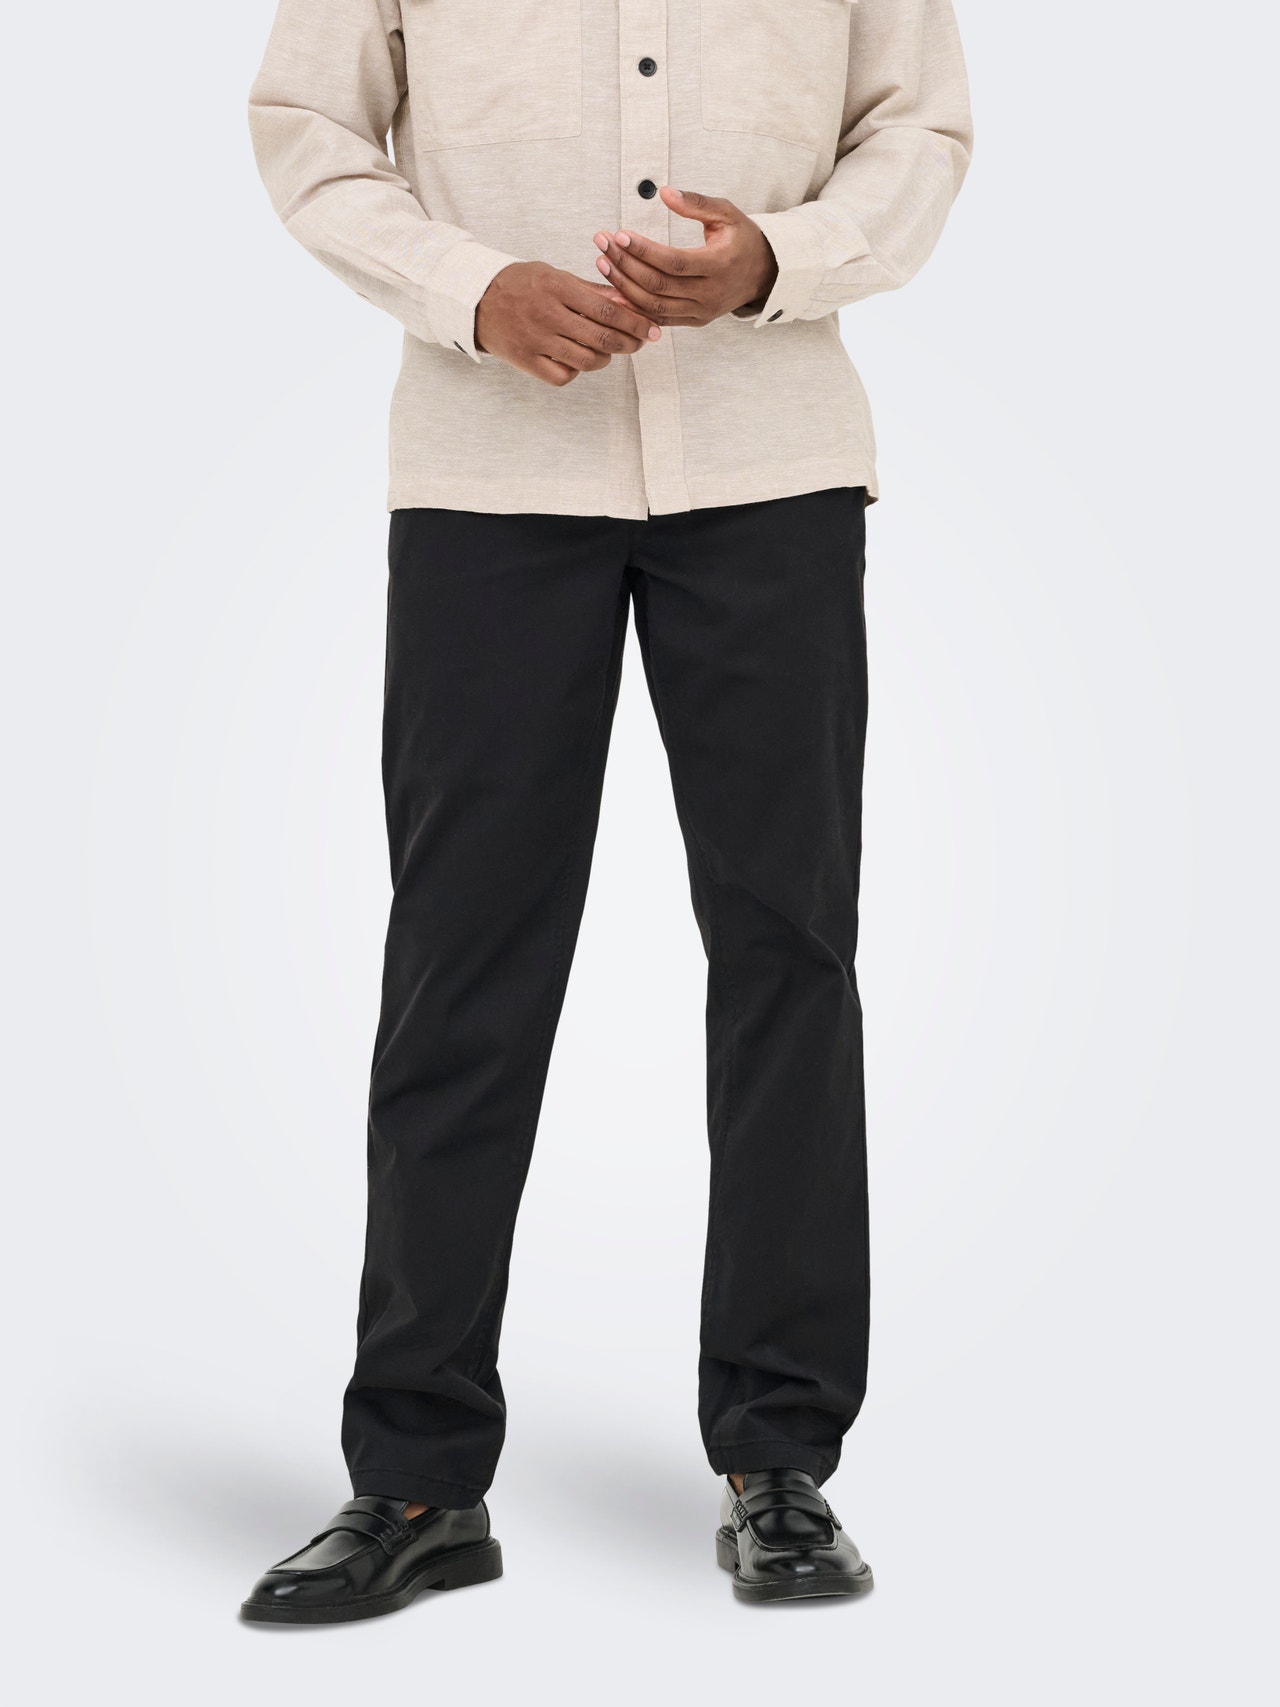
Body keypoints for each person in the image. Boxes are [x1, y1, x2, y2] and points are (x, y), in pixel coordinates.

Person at [238, 0, 972, 1622]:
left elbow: (916, 125)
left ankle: (780, 1461)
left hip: (770, 469)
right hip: (488, 471)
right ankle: (417, 1477)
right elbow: (310, 123)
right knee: (461, 964)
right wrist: (468, 291)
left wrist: (777, 258)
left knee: (788, 954)